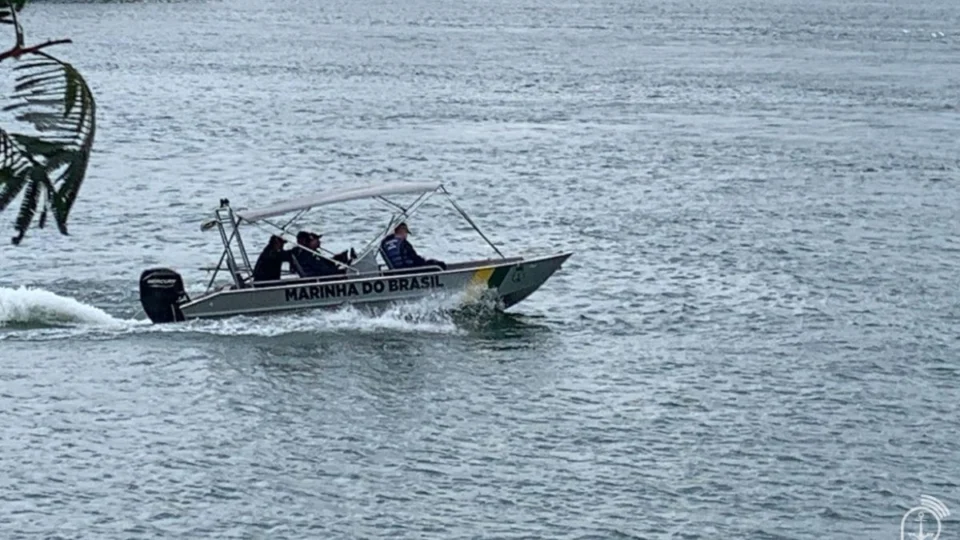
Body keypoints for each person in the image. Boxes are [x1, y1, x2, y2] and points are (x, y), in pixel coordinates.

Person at [379, 222, 447, 271]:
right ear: (402, 230)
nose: (406, 236)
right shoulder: (404, 243)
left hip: (396, 270)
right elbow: (415, 258)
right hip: (409, 270)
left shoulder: (385, 244)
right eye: (406, 233)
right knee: (439, 265)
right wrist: (425, 262)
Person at [291, 230, 356, 277]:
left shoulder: (314, 253)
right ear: (307, 242)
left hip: (322, 275)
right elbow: (323, 270)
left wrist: (337, 259)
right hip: (319, 279)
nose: (319, 242)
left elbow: (324, 264)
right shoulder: (307, 255)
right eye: (316, 240)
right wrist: (342, 270)